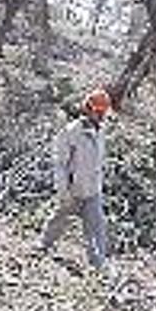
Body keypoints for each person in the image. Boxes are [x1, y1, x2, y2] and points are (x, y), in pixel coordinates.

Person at [36, 89, 112, 270]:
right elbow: (60, 164)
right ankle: (43, 245)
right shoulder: (71, 132)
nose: (102, 116)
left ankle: (98, 265)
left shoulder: (101, 130)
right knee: (59, 219)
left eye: (104, 112)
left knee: (97, 228)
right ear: (88, 109)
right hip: (73, 189)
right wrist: (63, 190)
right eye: (98, 112)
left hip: (93, 190)